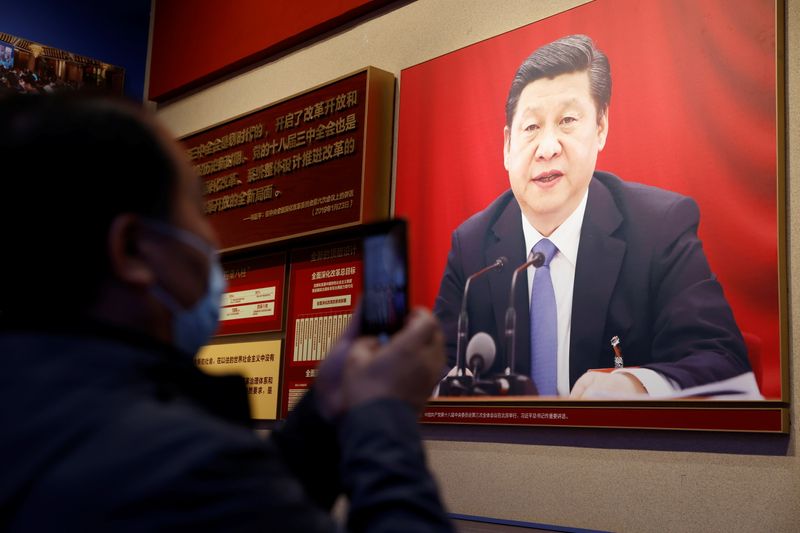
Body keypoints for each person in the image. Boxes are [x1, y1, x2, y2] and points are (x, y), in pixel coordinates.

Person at [0, 92, 453, 531]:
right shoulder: (174, 464)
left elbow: (252, 511)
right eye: (200, 209)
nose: (213, 241)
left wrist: (325, 406)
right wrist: (383, 411)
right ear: (133, 249)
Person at [434, 34, 753, 398]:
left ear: (600, 128)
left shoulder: (658, 227)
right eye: (531, 127)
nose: (547, 148)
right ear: (507, 146)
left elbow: (722, 359)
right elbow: (433, 369)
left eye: (567, 120)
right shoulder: (473, 246)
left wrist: (638, 385)